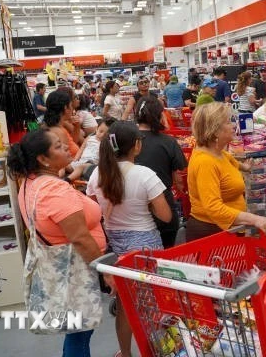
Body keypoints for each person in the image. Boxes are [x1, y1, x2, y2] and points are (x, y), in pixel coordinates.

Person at [7, 129, 115, 357]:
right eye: (58, 146)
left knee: (75, 330)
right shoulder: (54, 191)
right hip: (76, 269)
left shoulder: (31, 182)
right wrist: (105, 272)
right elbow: (80, 237)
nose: (66, 146)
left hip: (63, 266)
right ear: (42, 159)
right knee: (79, 332)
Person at [87, 121, 172, 357]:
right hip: (145, 245)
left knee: (126, 306)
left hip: (115, 246)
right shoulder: (145, 175)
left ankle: (125, 353)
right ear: (136, 145)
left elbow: (95, 210)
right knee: (153, 304)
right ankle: (158, 351)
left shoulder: (97, 174)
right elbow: (166, 216)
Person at [186, 102, 266, 241]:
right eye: (228, 122)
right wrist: (255, 219)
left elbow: (230, 160)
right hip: (212, 235)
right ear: (215, 130)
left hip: (228, 230)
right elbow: (213, 208)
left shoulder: (218, 152)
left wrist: (245, 167)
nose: (234, 125)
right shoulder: (205, 162)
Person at [135, 96, 187, 248]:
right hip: (162, 207)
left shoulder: (128, 140)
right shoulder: (168, 142)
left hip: (133, 210)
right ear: (159, 115)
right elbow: (178, 178)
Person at [44, 90, 80, 157]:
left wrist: (77, 126)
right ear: (65, 108)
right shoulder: (58, 131)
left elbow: (72, 143)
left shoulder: (58, 126)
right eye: (71, 105)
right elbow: (64, 161)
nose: (72, 109)